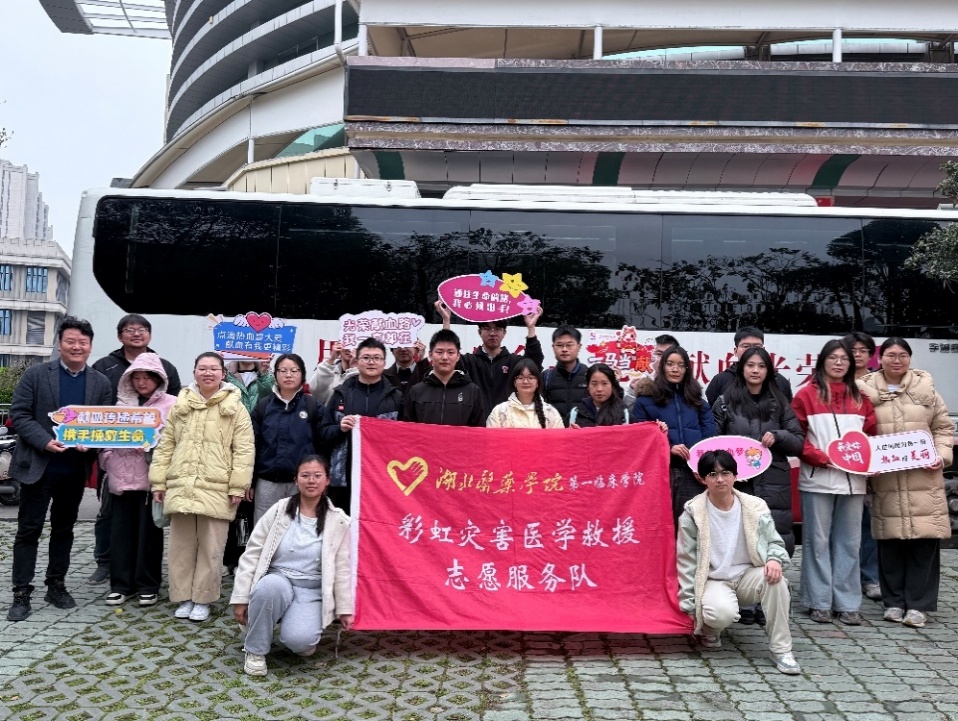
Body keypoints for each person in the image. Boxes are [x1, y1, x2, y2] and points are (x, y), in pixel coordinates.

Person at [6, 317, 113, 622]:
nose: (77, 347)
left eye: (82, 342)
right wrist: (45, 441)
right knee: (29, 530)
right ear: (60, 344)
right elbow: (19, 414)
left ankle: (56, 584)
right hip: (39, 466)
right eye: (70, 341)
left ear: (90, 346)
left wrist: (90, 444)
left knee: (64, 530)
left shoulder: (100, 383)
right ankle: (21, 592)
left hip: (73, 470)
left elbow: (102, 424)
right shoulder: (36, 375)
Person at [150, 352, 255, 622]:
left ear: (223, 373)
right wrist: (159, 481)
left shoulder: (235, 407)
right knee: (181, 547)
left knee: (211, 547)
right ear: (194, 372)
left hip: (217, 487)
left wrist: (238, 486)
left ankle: (203, 599)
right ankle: (183, 596)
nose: (208, 373)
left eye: (213, 369)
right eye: (202, 368)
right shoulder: (181, 405)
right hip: (182, 484)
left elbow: (244, 450)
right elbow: (166, 445)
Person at [677, 450, 800, 675]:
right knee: (720, 614)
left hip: (748, 576)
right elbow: (686, 562)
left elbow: (774, 541)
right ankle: (710, 628)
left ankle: (782, 650)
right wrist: (690, 606)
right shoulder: (692, 513)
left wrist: (774, 559)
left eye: (725, 473)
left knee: (776, 581)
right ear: (702, 479)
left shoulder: (755, 506)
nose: (720, 479)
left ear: (736, 476)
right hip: (713, 580)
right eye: (712, 474)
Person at [857, 338, 953, 628]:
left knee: (923, 542)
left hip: (923, 478)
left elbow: (943, 428)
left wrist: (941, 456)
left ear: (910, 359)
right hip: (885, 480)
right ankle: (894, 602)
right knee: (890, 542)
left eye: (902, 355)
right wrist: (865, 464)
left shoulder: (926, 390)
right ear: (880, 358)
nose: (896, 360)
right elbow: (857, 433)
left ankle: (919, 605)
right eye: (890, 355)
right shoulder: (864, 390)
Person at [231, 455, 353, 677]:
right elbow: (252, 553)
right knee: (269, 588)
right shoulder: (279, 510)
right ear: (296, 480)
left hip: (311, 590)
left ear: (327, 480)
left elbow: (343, 569)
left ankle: (286, 623)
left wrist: (345, 609)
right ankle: (255, 650)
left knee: (300, 642)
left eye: (317, 475)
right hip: (278, 580)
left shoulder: (339, 520)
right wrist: (241, 598)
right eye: (305, 475)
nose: (311, 480)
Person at [88, 313, 183, 585]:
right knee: (109, 516)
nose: (136, 333)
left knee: (150, 526)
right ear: (120, 335)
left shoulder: (165, 368)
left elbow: (174, 420)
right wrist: (104, 454)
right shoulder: (104, 366)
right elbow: (95, 413)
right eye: (130, 329)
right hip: (117, 467)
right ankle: (105, 563)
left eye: (142, 329)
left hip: (153, 473)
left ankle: (146, 580)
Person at [791, 339, 876, 626]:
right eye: (833, 358)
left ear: (851, 364)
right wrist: (819, 457)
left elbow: (871, 437)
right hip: (818, 479)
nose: (839, 363)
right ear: (822, 362)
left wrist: (873, 463)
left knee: (850, 542)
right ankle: (819, 602)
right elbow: (796, 435)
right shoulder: (806, 395)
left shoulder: (860, 398)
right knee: (817, 542)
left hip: (854, 482)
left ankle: (848, 603)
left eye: (844, 359)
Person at [99, 353, 177, 607]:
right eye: (137, 377)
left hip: (151, 482)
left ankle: (148, 585)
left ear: (159, 379)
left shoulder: (172, 405)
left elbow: (177, 440)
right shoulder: (120, 406)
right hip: (121, 480)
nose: (142, 382)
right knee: (120, 534)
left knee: (150, 536)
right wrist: (107, 459)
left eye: (147, 377)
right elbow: (104, 439)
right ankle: (121, 585)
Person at [712, 347, 805, 555]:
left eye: (761, 366)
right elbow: (712, 446)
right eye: (750, 365)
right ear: (741, 368)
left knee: (775, 544)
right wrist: (729, 471)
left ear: (768, 371)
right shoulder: (725, 403)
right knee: (737, 547)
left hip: (774, 483)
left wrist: (779, 436)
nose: (756, 370)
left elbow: (798, 442)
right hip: (737, 485)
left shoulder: (779, 403)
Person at [633, 345, 717, 527]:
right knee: (659, 526)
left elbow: (710, 437)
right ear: (662, 366)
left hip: (692, 474)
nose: (675, 369)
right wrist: (669, 448)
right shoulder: (645, 401)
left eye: (680, 365)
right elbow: (639, 440)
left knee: (691, 527)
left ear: (687, 369)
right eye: (670, 364)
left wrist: (701, 465)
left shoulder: (698, 402)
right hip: (660, 473)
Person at [319, 338, 403, 512]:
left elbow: (405, 439)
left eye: (377, 358)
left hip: (382, 478)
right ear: (357, 361)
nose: (371, 362)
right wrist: (340, 428)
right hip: (344, 479)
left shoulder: (396, 398)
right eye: (366, 357)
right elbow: (323, 433)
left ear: (384, 362)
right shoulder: (341, 394)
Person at [251, 353, 324, 525]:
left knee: (300, 530)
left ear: (302, 374)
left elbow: (323, 442)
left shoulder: (312, 405)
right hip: (267, 481)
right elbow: (252, 445)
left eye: (294, 371)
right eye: (283, 371)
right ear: (275, 374)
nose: (288, 375)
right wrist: (251, 482)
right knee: (264, 531)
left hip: (301, 483)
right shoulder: (263, 406)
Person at [435, 300, 544, 414]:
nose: (492, 333)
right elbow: (448, 361)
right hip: (475, 421)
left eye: (497, 328)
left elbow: (534, 364)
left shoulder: (513, 362)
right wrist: (446, 320)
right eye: (487, 328)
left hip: (506, 420)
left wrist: (531, 327)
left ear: (504, 333)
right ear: (479, 332)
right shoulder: (469, 361)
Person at [844, 331, 881, 602]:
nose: (857, 355)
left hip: (872, 463)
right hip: (838, 463)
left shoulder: (879, 384)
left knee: (869, 523)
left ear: (871, 355)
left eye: (863, 350)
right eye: (852, 350)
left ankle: (870, 576)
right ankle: (844, 577)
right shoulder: (832, 382)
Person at [404, 329, 484, 427]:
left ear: (458, 356)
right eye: (439, 352)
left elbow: (479, 430)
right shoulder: (417, 391)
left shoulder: (472, 391)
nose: (445, 357)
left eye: (450, 352)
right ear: (430, 355)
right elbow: (407, 429)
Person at [705, 327, 793, 406]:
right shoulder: (720, 380)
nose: (752, 350)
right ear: (735, 351)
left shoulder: (779, 381)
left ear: (764, 350)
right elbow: (714, 411)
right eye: (746, 346)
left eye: (757, 346)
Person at [486, 359, 564, 429]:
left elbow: (559, 439)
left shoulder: (550, 413)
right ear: (514, 382)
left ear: (537, 383)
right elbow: (490, 438)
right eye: (520, 378)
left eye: (531, 378)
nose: (525, 382)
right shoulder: (500, 411)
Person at [542, 325, 588, 426]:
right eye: (559, 345)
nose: (564, 349)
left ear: (579, 346)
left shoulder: (589, 375)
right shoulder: (546, 377)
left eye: (569, 345)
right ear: (553, 347)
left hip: (582, 432)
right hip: (555, 432)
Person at [569, 364, 633, 428]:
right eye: (594, 384)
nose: (599, 389)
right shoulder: (576, 413)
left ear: (612, 385)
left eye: (604, 383)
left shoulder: (624, 413)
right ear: (588, 386)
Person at [625, 333, 678, 406]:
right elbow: (627, 410)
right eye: (659, 354)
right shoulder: (639, 383)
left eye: (668, 354)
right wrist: (633, 392)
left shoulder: (684, 385)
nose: (663, 359)